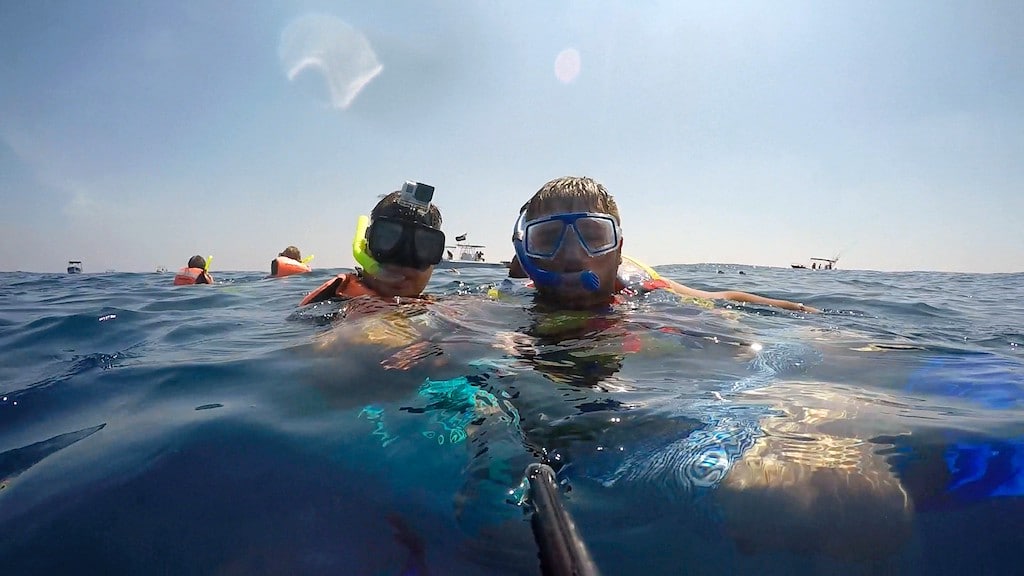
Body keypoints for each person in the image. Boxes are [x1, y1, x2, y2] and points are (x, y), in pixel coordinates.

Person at [510, 176, 818, 312]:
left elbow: (721, 297)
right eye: (548, 240)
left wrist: (796, 309)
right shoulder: (511, 297)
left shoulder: (641, 288)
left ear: (617, 249)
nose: (573, 255)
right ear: (527, 254)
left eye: (594, 237)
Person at [300, 181, 445, 306]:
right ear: (365, 244)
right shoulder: (332, 301)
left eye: (422, 246)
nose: (402, 259)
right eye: (388, 238)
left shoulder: (442, 306)